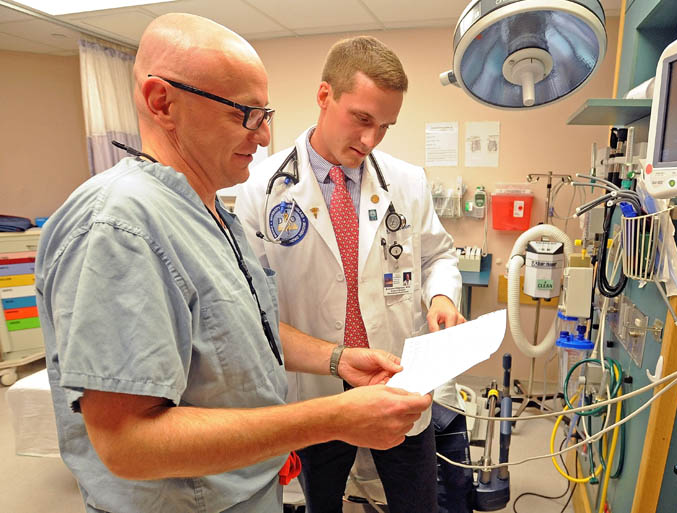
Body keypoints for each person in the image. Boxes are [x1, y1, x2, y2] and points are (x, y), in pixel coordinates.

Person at [34, 14, 432, 513]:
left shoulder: (210, 211)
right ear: (163, 102)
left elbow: (245, 329)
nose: (265, 136)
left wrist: (336, 359)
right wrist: (330, 418)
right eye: (245, 113)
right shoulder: (118, 227)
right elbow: (128, 442)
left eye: (265, 114)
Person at [236, 36, 466, 513]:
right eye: (362, 119)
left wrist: (441, 296)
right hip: (316, 382)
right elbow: (250, 305)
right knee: (322, 502)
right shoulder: (263, 190)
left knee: (416, 500)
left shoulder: (407, 181)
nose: (370, 140)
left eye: (384, 126)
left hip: (396, 373)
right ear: (325, 96)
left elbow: (438, 256)